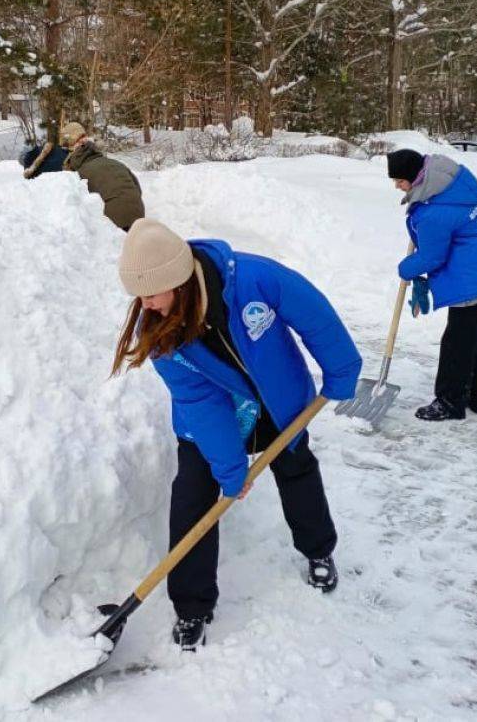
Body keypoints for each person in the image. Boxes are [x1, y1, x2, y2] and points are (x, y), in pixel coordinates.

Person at [112, 219, 361, 650]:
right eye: (139, 295)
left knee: (296, 467)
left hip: (276, 399)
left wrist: (341, 367)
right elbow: (198, 400)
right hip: (211, 416)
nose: (145, 304)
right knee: (194, 494)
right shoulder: (155, 333)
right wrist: (229, 466)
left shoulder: (251, 278)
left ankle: (318, 548)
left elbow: (314, 315)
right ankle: (192, 607)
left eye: (150, 293)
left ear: (177, 280)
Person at [387, 148, 477, 422]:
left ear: (414, 177)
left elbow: (433, 257)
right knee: (476, 338)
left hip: (471, 279)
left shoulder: (433, 213)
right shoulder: (456, 178)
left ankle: (449, 402)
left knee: (457, 341)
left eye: (399, 180)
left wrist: (406, 268)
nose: (397, 186)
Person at [60, 121, 145, 231]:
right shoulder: (116, 163)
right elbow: (137, 189)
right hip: (139, 217)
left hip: (115, 225)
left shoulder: (79, 174)